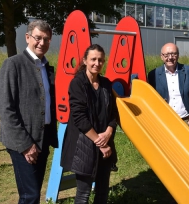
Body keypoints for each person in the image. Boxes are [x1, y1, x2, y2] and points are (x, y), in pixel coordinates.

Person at [0, 20, 58, 203]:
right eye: (38, 38)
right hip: (22, 141)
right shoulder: (13, 64)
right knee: (30, 195)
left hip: (43, 137)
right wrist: (25, 145)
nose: (42, 43)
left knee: (33, 193)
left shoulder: (47, 68)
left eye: (46, 39)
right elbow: (6, 108)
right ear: (27, 37)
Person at [60, 44, 118, 204]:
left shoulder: (106, 83)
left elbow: (114, 113)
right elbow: (79, 117)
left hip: (105, 143)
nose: (97, 63)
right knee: (83, 193)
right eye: (93, 59)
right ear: (85, 60)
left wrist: (108, 132)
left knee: (102, 191)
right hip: (84, 144)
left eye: (100, 60)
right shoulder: (77, 83)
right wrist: (100, 143)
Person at [148, 43, 189, 131]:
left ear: (178, 55)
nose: (170, 57)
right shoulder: (153, 74)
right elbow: (150, 100)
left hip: (186, 122)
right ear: (161, 56)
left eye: (173, 54)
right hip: (163, 123)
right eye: (166, 55)